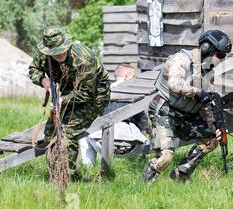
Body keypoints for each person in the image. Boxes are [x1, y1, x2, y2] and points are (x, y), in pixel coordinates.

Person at [143, 30, 232, 183]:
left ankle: (181, 174)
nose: (222, 60)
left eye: (224, 56)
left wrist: (215, 125)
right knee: (166, 157)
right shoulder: (182, 59)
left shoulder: (205, 72)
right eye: (220, 55)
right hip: (164, 111)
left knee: (211, 139)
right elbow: (174, 83)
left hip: (184, 117)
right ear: (206, 48)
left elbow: (206, 105)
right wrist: (197, 93)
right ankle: (145, 186)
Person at [28, 27, 110, 178]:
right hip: (63, 95)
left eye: (61, 50)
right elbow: (33, 69)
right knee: (49, 134)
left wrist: (63, 99)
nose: (57, 54)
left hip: (93, 97)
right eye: (53, 52)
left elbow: (87, 93)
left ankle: (66, 177)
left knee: (66, 133)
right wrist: (45, 82)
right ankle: (57, 174)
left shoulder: (84, 58)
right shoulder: (44, 52)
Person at [79, 64, 150, 165]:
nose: (134, 79)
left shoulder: (102, 92)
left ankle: (89, 168)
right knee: (140, 133)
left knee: (84, 135)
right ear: (126, 76)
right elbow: (144, 125)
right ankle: (136, 167)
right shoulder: (135, 94)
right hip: (130, 148)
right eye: (133, 76)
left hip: (103, 146)